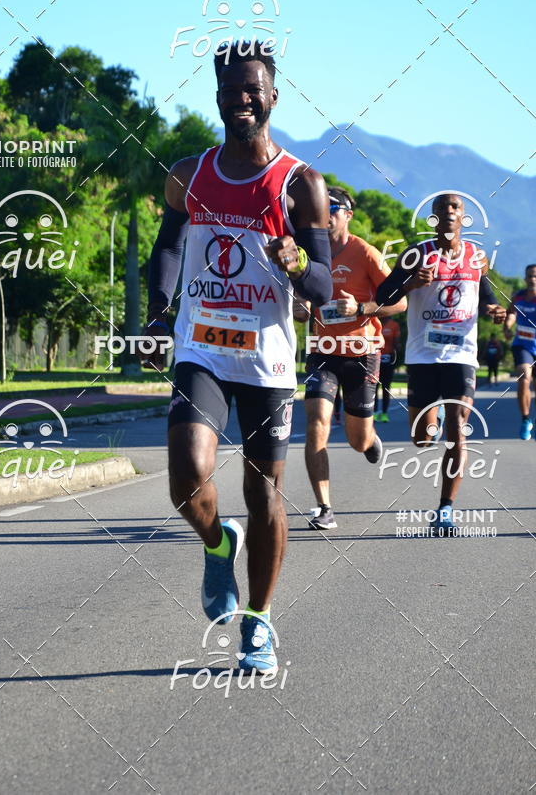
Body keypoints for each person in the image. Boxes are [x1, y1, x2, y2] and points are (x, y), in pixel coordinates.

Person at [146, 41, 332, 672]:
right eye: (231, 89)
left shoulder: (301, 183)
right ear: (218, 97)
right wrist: (158, 309)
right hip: (202, 347)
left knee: (264, 492)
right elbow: (168, 247)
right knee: (185, 478)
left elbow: (322, 288)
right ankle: (217, 542)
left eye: (254, 88)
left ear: (273, 96)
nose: (242, 98)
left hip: (267, 360)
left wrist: (297, 260)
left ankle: (258, 620)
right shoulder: (188, 174)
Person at [376, 191, 506, 535]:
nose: (449, 212)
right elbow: (382, 297)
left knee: (457, 432)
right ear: (433, 218)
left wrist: (494, 310)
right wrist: (410, 282)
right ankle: (431, 429)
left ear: (464, 217)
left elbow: (487, 298)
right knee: (422, 438)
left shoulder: (476, 257)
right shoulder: (416, 255)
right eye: (442, 208)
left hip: (462, 355)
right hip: (422, 356)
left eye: (455, 208)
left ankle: (445, 508)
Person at [295, 187, 406, 531]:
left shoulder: (365, 253)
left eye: (334, 207)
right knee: (316, 422)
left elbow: (400, 302)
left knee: (357, 439)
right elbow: (298, 303)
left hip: (362, 352)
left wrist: (362, 308)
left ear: (348, 215)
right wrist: (298, 308)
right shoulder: (309, 253)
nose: (326, 213)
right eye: (321, 207)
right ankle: (324, 506)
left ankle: (370, 439)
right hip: (322, 352)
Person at [504, 264, 536, 439]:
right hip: (523, 345)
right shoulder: (518, 297)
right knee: (524, 375)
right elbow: (511, 314)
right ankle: (525, 419)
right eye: (530, 276)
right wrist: (508, 327)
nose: (533, 280)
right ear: (525, 278)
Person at [374, 317, 401, 422]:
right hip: (374, 359)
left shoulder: (394, 325)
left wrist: (397, 346)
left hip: (388, 360)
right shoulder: (374, 322)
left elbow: (397, 342)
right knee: (374, 387)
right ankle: (375, 412)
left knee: (386, 388)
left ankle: (384, 413)